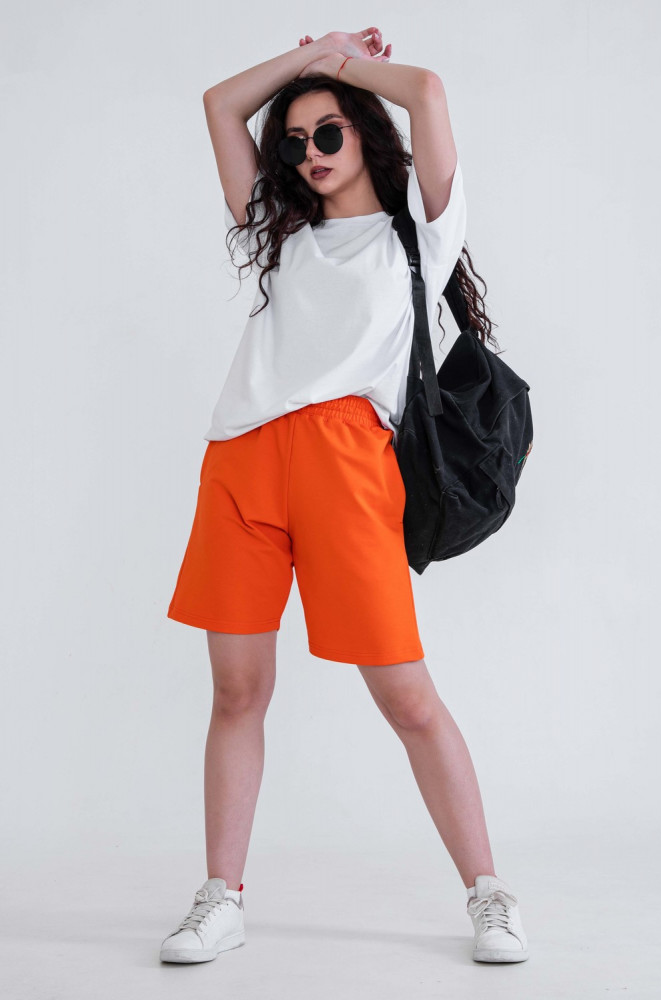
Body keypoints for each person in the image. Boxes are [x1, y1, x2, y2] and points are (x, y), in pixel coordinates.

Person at [160, 27, 529, 967]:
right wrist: (304, 58)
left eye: (328, 133)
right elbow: (218, 105)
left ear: (364, 130)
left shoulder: (418, 234)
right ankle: (222, 896)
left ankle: (489, 893)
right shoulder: (278, 233)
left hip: (348, 465)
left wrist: (338, 67)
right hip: (241, 461)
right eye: (294, 143)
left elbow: (428, 88)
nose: (310, 154)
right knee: (237, 689)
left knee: (406, 697)